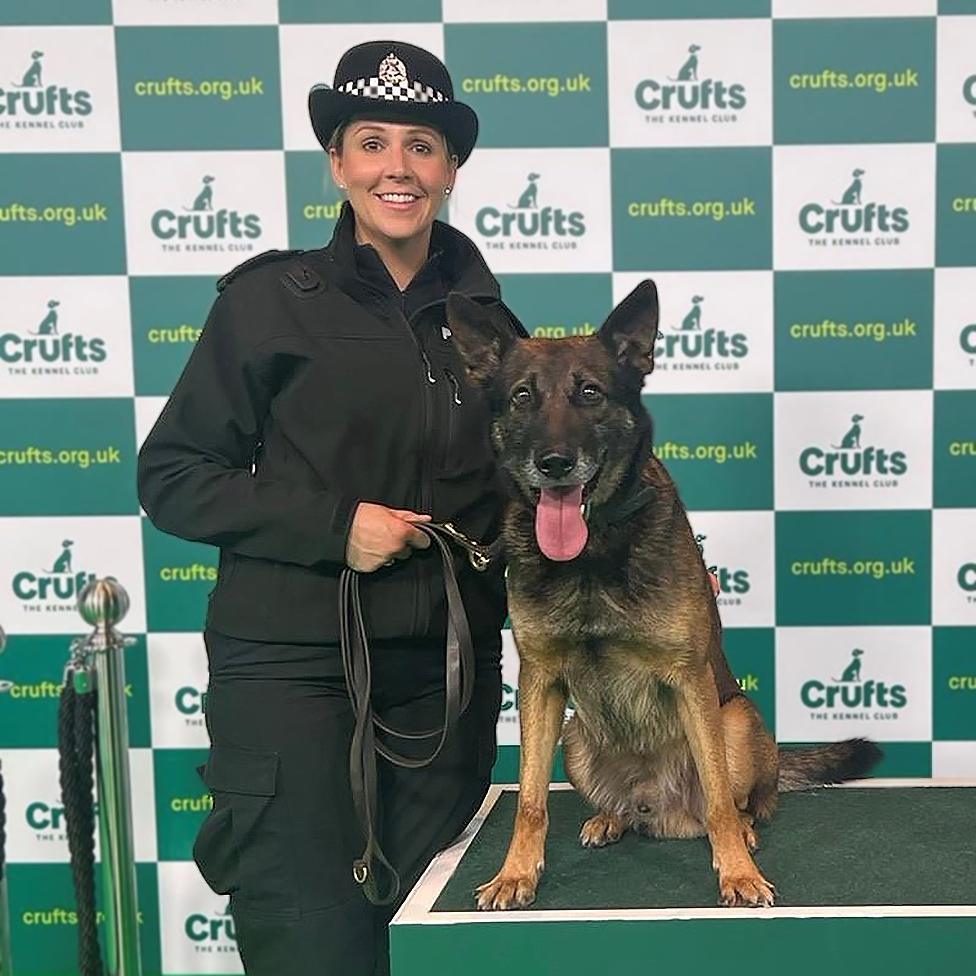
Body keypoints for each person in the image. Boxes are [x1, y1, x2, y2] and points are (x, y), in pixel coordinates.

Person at [137, 40, 525, 976]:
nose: (399, 166)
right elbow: (175, 474)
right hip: (293, 678)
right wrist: (333, 525)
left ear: (451, 166)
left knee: (437, 953)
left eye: (422, 145)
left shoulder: (494, 327)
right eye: (373, 141)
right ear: (338, 163)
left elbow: (512, 502)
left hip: (447, 681)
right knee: (311, 942)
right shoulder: (269, 301)